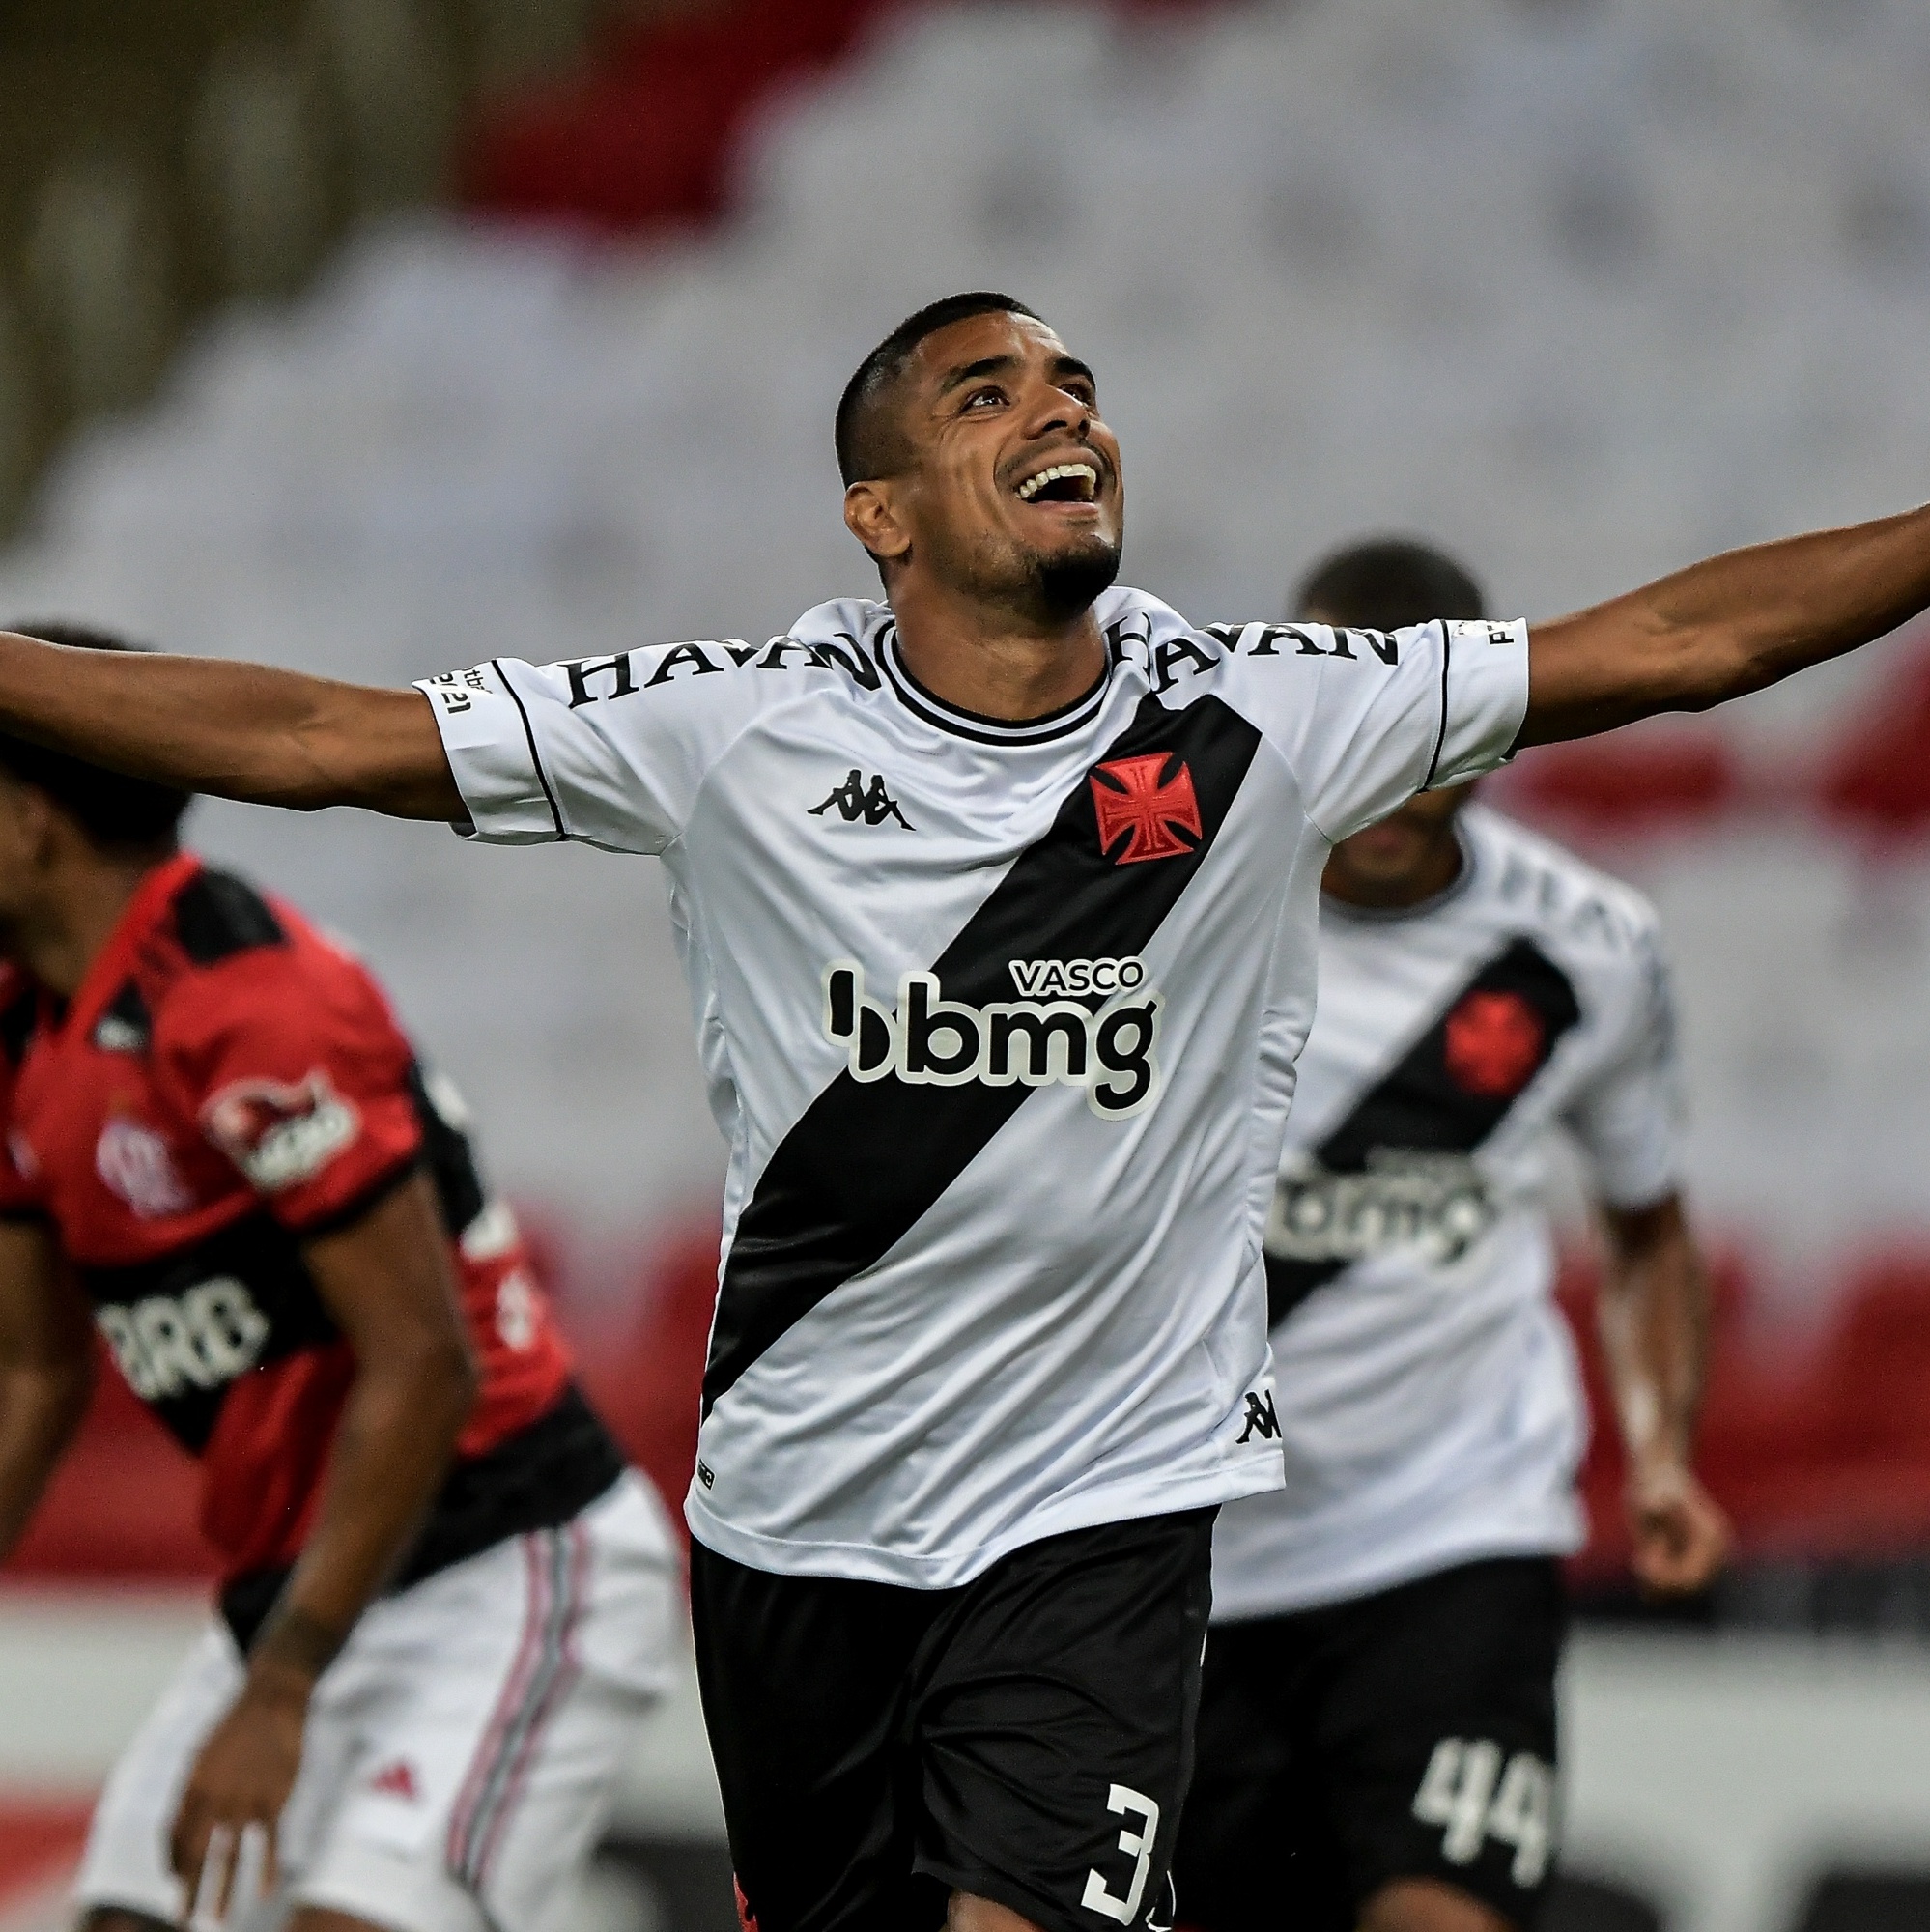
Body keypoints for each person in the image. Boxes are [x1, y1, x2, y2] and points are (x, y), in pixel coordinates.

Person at [0, 292, 1917, 1932]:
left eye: (1072, 383)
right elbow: (326, 742)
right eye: (985, 394)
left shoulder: (1264, 713)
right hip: (804, 1520)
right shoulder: (727, 725)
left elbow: (1678, 648)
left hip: (1104, 1512)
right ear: (881, 513)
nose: (1060, 406)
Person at [0, 628, 678, 1932]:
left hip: (502, 1560)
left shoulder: (246, 1004)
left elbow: (425, 1362)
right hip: (304, 1581)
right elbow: (33, 1366)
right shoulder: (23, 1028)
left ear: (31, 824)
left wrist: (282, 1687)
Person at [1168, 540, 1731, 1932]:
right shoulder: (1167, 913)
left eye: (1430, 731)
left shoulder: (1585, 947)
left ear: (1487, 720)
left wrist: (1660, 1451)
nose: (1396, 779)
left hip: (1447, 1536)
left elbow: (1648, 1229)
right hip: (1170, 1552)